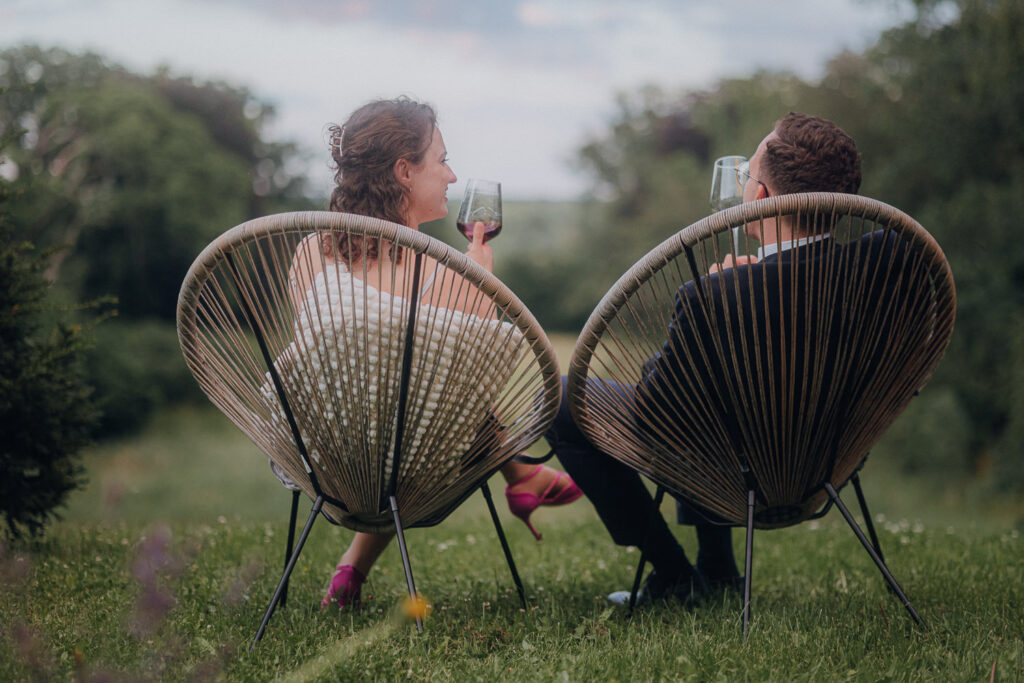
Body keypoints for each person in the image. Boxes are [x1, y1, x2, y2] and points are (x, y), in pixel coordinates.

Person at [548, 112, 864, 607]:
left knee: (566, 397)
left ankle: (673, 573)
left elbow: (658, 408)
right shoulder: (889, 268)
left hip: (736, 473)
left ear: (758, 197)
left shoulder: (714, 294)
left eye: (746, 176)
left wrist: (721, 295)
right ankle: (717, 568)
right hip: (827, 460)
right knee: (712, 395)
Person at [291, 97, 582, 611]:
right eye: (442, 160)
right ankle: (522, 474)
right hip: (410, 463)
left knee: (397, 402)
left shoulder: (311, 251)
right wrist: (480, 279)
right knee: (435, 407)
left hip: (322, 454)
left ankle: (350, 572)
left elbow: (329, 364)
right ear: (404, 171)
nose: (452, 175)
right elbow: (476, 389)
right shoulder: (447, 273)